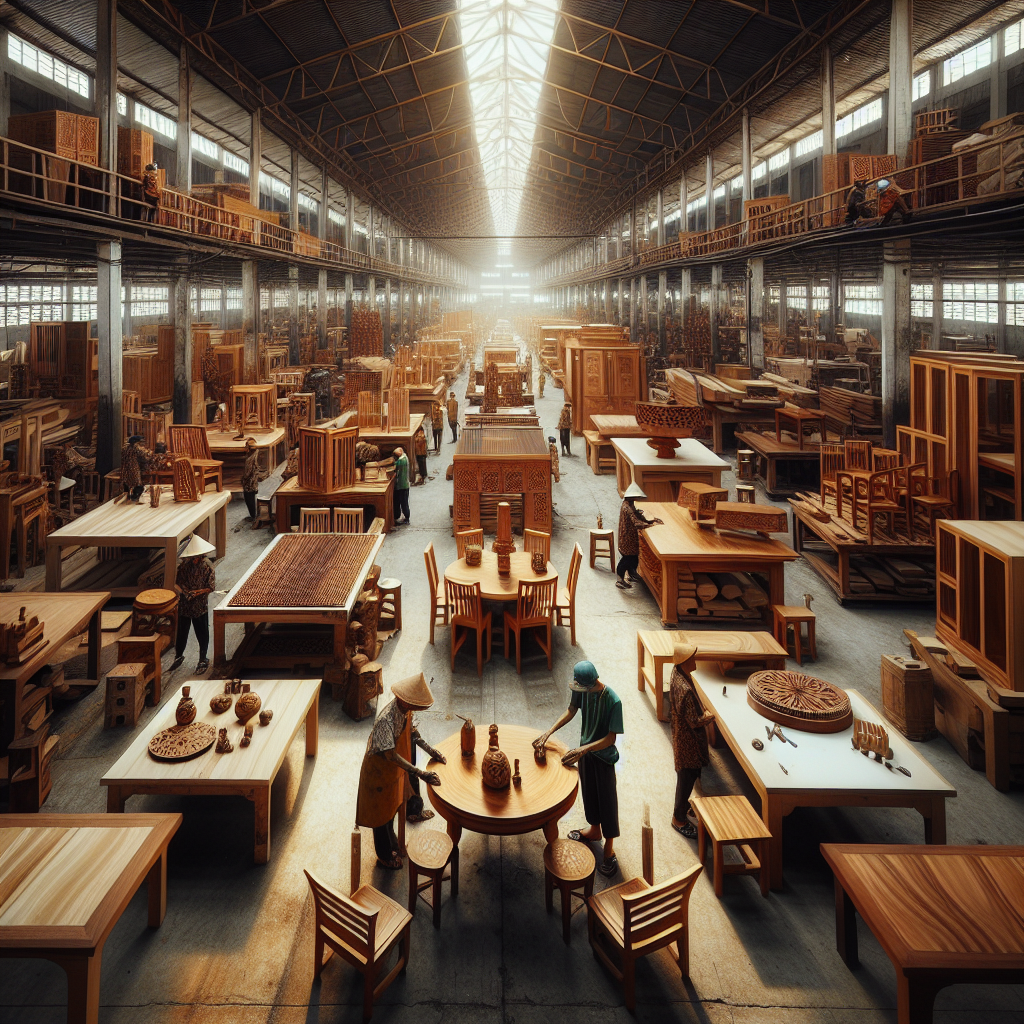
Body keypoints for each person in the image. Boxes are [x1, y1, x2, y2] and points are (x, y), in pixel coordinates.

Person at [534, 661, 623, 877]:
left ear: (592, 683)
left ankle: (609, 848)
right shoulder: (582, 689)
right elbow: (571, 709)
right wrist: (549, 732)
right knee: (589, 793)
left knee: (607, 800)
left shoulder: (613, 701)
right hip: (585, 753)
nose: (580, 691)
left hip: (603, 756)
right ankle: (594, 830)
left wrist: (584, 748)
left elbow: (611, 738)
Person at [355, 673, 443, 869]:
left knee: (393, 807)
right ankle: (384, 856)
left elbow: (413, 734)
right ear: (404, 700)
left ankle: (396, 839)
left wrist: (432, 751)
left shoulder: (405, 711)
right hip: (378, 771)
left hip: (391, 770)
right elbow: (391, 755)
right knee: (381, 816)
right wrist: (421, 773)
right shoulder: (386, 720)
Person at [668, 643, 714, 839]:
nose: (695, 661)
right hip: (688, 741)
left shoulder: (677, 673)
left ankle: (684, 807)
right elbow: (694, 721)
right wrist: (708, 717)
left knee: (690, 774)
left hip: (682, 735)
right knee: (686, 777)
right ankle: (678, 817)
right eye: (692, 658)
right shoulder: (685, 689)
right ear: (685, 662)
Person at [171, 534, 216, 674]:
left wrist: (196, 593)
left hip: (200, 605)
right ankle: (178, 655)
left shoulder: (207, 567)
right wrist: (186, 592)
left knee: (202, 632)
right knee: (182, 632)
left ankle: (203, 658)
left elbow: (211, 587)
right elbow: (178, 582)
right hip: (185, 604)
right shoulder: (184, 567)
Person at [616, 482, 662, 590]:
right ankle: (620, 580)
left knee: (634, 558)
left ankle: (632, 574)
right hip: (627, 539)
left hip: (631, 539)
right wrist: (651, 525)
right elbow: (636, 523)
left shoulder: (629, 504)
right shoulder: (627, 508)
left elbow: (637, 515)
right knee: (626, 560)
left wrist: (650, 521)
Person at [240, 437, 268, 522]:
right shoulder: (252, 455)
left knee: (249, 496)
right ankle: (253, 515)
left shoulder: (254, 456)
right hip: (251, 480)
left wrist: (245, 479)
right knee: (249, 496)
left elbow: (249, 472)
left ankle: (254, 516)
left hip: (253, 480)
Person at [120, 434, 152, 502]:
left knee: (127, 484)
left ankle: (128, 497)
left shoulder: (125, 448)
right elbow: (144, 457)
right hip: (133, 469)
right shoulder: (136, 448)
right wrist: (149, 454)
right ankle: (134, 498)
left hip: (125, 469)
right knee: (137, 484)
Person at [392, 446, 410, 524]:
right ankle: (399, 516)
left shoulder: (402, 460)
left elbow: (397, 464)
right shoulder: (403, 457)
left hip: (402, 485)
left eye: (396, 455)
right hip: (402, 485)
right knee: (401, 502)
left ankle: (406, 517)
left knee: (404, 502)